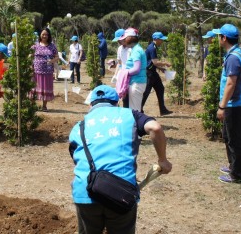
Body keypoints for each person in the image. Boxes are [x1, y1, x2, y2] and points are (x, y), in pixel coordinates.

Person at [68, 85, 172, 234]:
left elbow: (76, 156)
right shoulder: (130, 115)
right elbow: (155, 127)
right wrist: (163, 160)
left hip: (85, 192)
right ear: (116, 102)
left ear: (91, 105)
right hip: (120, 193)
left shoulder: (79, 126)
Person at [213, 23, 241, 183]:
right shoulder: (235, 53)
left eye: (219, 36)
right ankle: (233, 165)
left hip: (235, 106)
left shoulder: (233, 58)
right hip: (236, 104)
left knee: (235, 140)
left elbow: (231, 84)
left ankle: (237, 174)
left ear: (224, 38)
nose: (218, 39)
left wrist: (222, 106)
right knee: (229, 137)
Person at [141, 32, 172, 116]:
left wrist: (161, 68)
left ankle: (163, 110)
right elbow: (155, 62)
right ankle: (139, 110)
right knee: (146, 92)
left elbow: (152, 62)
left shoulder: (154, 47)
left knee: (160, 88)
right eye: (161, 39)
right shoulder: (152, 48)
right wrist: (165, 63)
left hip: (152, 72)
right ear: (156, 39)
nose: (162, 41)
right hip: (149, 73)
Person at [119, 28, 147, 111]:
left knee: (135, 111)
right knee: (134, 109)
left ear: (129, 39)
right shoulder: (135, 49)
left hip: (137, 83)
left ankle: (137, 124)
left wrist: (124, 73)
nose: (123, 42)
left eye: (124, 39)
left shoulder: (136, 51)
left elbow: (136, 69)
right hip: (136, 82)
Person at [32, 28, 59, 111]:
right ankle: (33, 106)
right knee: (34, 88)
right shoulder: (35, 45)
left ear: (49, 36)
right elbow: (30, 55)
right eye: (43, 34)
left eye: (46, 34)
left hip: (48, 71)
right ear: (40, 35)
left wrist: (51, 61)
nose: (44, 36)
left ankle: (44, 106)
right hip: (36, 71)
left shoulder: (52, 46)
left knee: (46, 88)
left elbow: (57, 57)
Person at [111, 28, 130, 108]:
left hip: (131, 74)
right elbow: (119, 63)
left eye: (119, 40)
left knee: (130, 96)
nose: (118, 42)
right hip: (122, 75)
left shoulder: (131, 48)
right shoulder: (119, 49)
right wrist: (115, 75)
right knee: (122, 95)